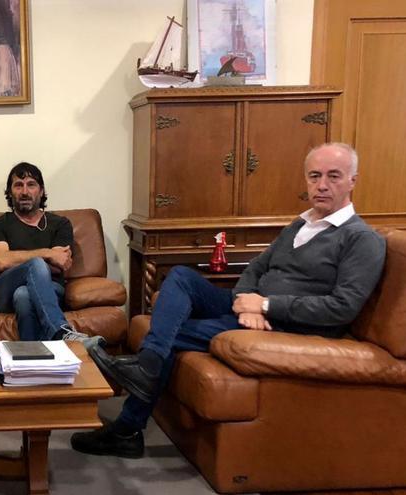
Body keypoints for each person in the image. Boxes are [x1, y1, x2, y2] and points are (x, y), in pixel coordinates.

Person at [72, 142, 386, 458]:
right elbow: (257, 266)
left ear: (353, 180)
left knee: (166, 334)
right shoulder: (300, 225)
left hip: (291, 325)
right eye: (314, 176)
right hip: (250, 306)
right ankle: (147, 369)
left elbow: (342, 308)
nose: (321, 185)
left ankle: (128, 424)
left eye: (333, 176)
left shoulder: (362, 239)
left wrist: (265, 307)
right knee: (181, 276)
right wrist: (243, 300)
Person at [0, 162, 99, 343]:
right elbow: (1, 261)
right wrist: (47, 254)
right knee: (36, 264)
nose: (24, 191)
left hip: (50, 289)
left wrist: (20, 259)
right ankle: (61, 332)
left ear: (41, 191)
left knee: (24, 295)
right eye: (18, 185)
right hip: (4, 292)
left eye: (31, 184)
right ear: (10, 192)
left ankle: (31, 361)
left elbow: (59, 265)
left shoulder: (60, 224)